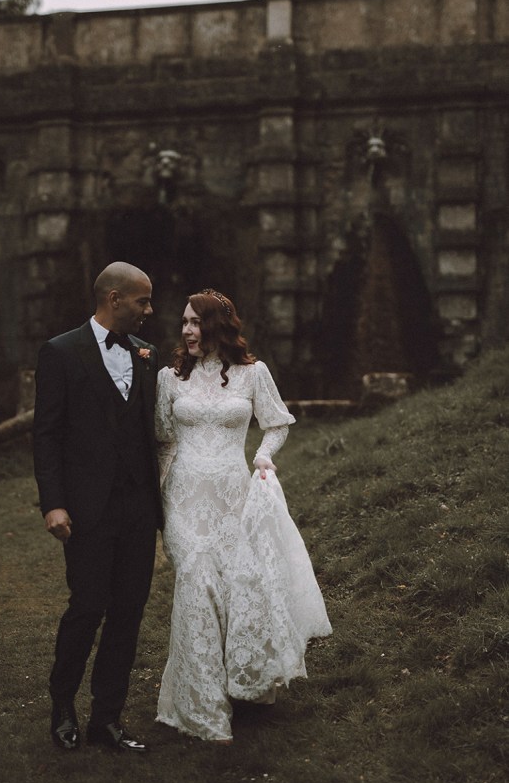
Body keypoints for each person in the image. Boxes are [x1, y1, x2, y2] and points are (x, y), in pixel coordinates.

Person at [155, 289, 332, 742]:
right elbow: (163, 438)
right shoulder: (169, 379)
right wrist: (159, 501)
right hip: (184, 498)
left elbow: (276, 423)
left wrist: (263, 457)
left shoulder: (254, 374)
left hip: (235, 496)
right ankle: (202, 705)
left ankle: (243, 684)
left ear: (216, 326)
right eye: (184, 322)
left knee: (235, 587)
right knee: (196, 579)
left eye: (195, 322)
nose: (187, 330)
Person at [33, 262, 162, 753]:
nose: (149, 310)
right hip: (86, 510)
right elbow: (46, 437)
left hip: (138, 509)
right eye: (142, 301)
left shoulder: (145, 355)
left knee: (128, 611)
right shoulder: (60, 353)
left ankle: (107, 718)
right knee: (87, 608)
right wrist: (54, 505)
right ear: (114, 299)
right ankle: (62, 705)